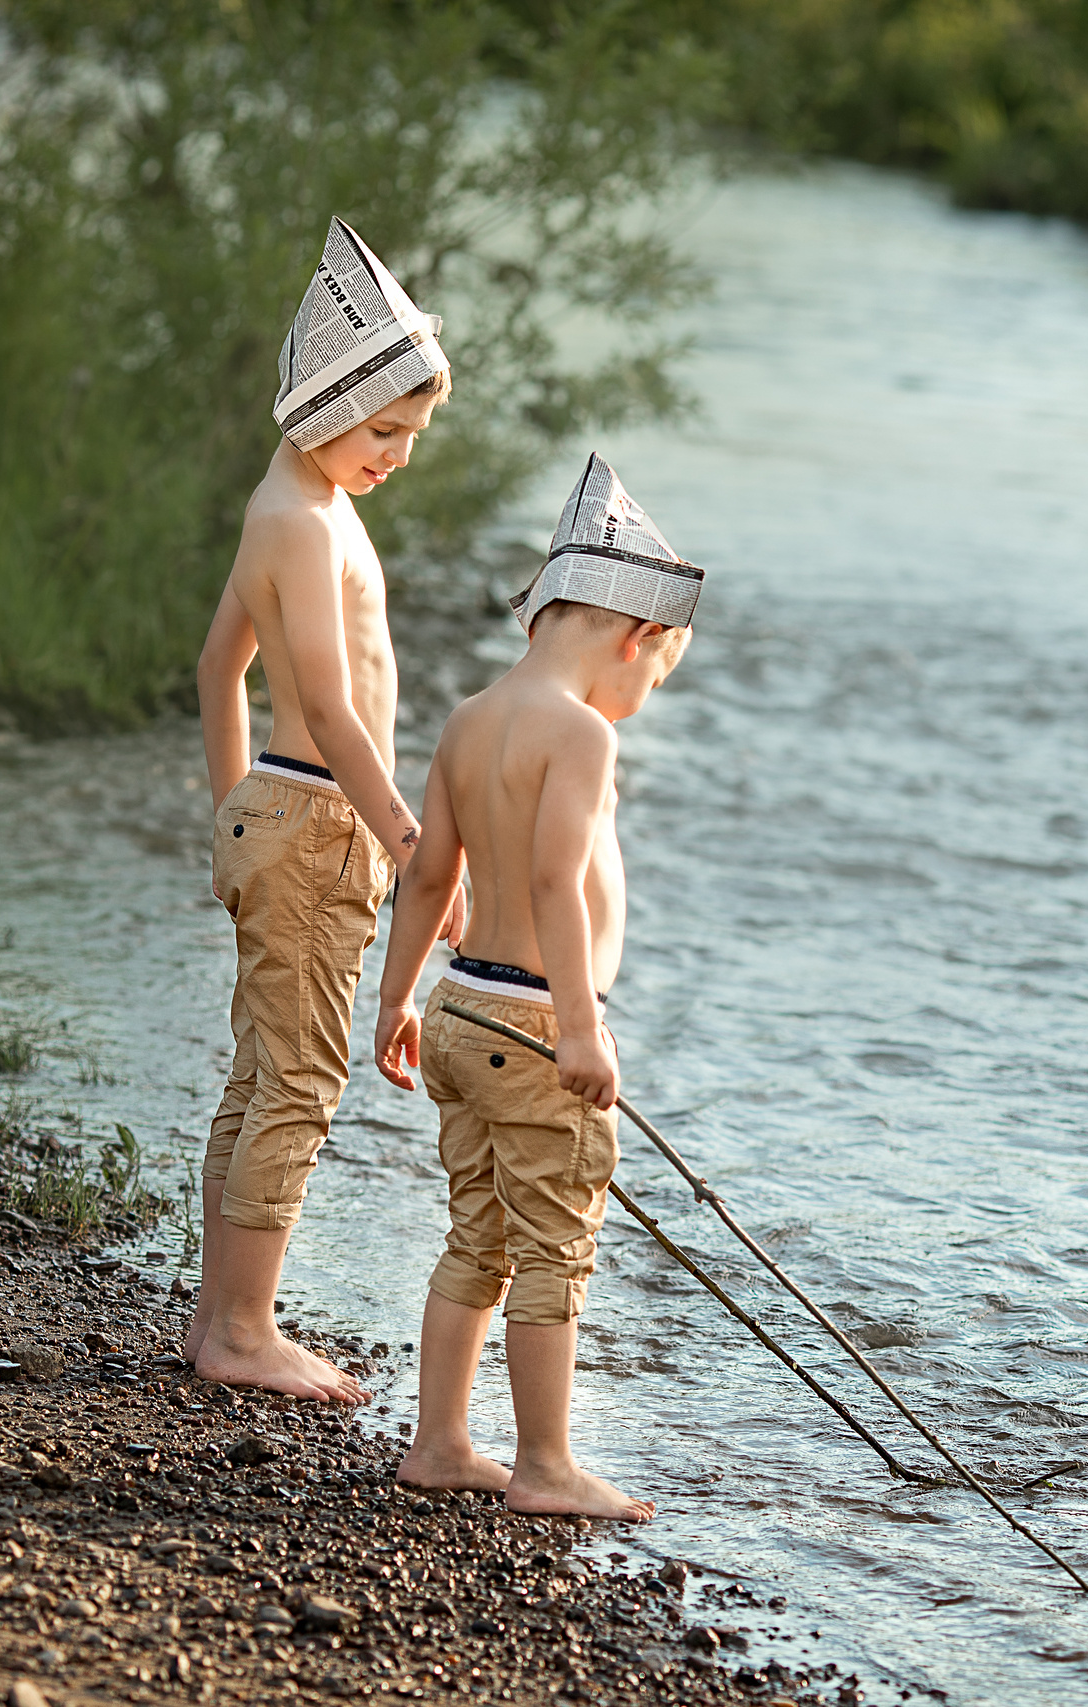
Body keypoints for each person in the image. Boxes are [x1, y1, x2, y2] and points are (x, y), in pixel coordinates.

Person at [372, 452, 704, 1519]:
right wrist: (579, 1030)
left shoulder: (470, 718)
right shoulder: (581, 732)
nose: (642, 699)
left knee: (478, 1234)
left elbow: (429, 871)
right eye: (655, 678)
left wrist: (395, 1001)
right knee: (556, 1247)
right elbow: (557, 879)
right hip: (532, 1020)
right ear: (634, 635)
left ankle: (439, 1442)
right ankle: (547, 1466)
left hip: (460, 1009)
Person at [181, 217, 467, 1403]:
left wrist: (230, 808)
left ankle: (218, 1319)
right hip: (316, 818)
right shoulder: (302, 522)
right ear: (321, 406)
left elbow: (216, 672)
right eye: (385, 429)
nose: (399, 454)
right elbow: (338, 713)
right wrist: (408, 840)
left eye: (413, 435)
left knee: (259, 1072)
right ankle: (243, 1330)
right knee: (296, 1081)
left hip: (280, 811)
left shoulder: (293, 508)